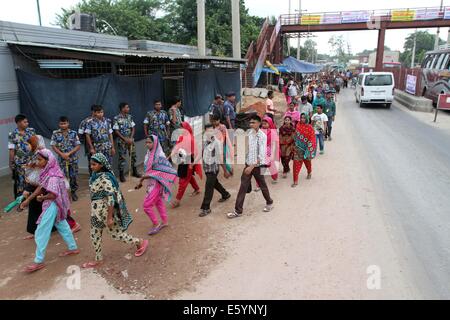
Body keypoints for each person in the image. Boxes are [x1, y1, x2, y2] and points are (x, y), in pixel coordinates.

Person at [82, 153, 149, 269]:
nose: (91, 166)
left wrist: (109, 218)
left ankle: (139, 242)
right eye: (91, 164)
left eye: (94, 164)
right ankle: (98, 259)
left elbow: (111, 199)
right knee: (94, 234)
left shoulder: (105, 178)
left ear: (101, 165)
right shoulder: (95, 176)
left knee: (116, 235)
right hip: (96, 213)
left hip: (105, 213)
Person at [20, 149, 80, 273]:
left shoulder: (52, 176)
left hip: (52, 204)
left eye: (40, 159)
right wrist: (28, 200)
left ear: (48, 161)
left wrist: (42, 198)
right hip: (57, 205)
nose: (38, 162)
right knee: (62, 225)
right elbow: (41, 187)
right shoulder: (50, 171)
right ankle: (73, 248)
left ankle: (38, 261)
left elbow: (52, 195)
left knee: (42, 230)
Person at [23, 136, 81, 240]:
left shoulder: (44, 153)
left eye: (29, 143)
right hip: (42, 184)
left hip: (52, 184)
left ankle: (73, 225)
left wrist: (29, 192)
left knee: (58, 207)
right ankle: (38, 231)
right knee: (38, 208)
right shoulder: (36, 154)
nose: (27, 146)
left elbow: (43, 171)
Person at [227, 115, 274, 219]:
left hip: (256, 166)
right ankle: (238, 211)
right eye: (250, 123)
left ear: (259, 123)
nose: (250, 124)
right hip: (248, 164)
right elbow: (248, 148)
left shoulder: (262, 136)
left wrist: (251, 167)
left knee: (262, 185)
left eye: (253, 122)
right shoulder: (250, 133)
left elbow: (261, 155)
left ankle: (269, 202)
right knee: (242, 186)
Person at [135, 136, 177, 235]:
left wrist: (142, 179)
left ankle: (156, 224)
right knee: (158, 202)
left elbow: (157, 172)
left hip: (156, 184)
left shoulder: (159, 156)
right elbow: (150, 171)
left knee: (146, 206)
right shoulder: (149, 154)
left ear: (155, 143)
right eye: (146, 142)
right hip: (151, 183)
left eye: (150, 142)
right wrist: (142, 180)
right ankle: (165, 221)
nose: (147, 144)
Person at [200, 124, 232, 217]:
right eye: (207, 131)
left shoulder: (217, 143)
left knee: (208, 187)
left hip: (213, 169)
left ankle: (206, 208)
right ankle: (225, 194)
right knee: (214, 183)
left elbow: (220, 158)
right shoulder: (204, 141)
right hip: (206, 167)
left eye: (211, 131)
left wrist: (225, 171)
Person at [170, 122, 202, 209]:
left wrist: (192, 164)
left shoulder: (190, 139)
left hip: (188, 161)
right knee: (188, 176)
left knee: (183, 180)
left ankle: (177, 200)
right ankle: (197, 189)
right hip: (183, 160)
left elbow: (195, 152)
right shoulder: (182, 137)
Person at [51, 116, 81, 201]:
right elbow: (53, 145)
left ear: (68, 123)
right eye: (61, 123)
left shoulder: (73, 133)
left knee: (73, 176)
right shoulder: (55, 133)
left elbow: (78, 145)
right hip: (62, 160)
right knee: (62, 176)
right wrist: (62, 154)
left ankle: (73, 192)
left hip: (72, 159)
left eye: (65, 123)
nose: (63, 125)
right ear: (59, 124)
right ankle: (64, 194)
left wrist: (69, 153)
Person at [8, 114, 36, 198]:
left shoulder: (31, 131)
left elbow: (35, 144)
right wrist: (11, 162)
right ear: (19, 123)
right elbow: (11, 149)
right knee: (21, 181)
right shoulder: (12, 134)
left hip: (32, 161)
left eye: (27, 121)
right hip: (20, 163)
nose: (27, 123)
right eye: (25, 122)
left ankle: (32, 197)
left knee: (32, 179)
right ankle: (22, 199)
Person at [113, 102, 140, 182]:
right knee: (122, 157)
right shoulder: (116, 118)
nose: (128, 109)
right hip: (122, 141)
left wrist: (131, 138)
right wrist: (125, 139)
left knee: (133, 155)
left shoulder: (129, 117)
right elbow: (116, 131)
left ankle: (134, 172)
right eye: (127, 107)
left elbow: (133, 128)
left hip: (130, 140)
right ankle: (121, 175)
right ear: (122, 108)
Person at [292, 113, 317, 188]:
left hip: (306, 149)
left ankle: (309, 172)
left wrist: (309, 149)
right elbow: (295, 136)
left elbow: (312, 139)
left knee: (307, 163)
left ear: (306, 118)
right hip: (298, 149)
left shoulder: (310, 128)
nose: (302, 119)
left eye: (304, 118)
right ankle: (295, 180)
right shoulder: (298, 125)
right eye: (301, 118)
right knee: (296, 164)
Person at [261, 116, 279, 184]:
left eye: (265, 123)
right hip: (262, 151)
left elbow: (274, 144)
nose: (264, 125)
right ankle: (260, 182)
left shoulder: (272, 132)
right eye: (263, 124)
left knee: (271, 166)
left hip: (270, 151)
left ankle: (275, 177)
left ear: (270, 123)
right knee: (261, 166)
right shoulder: (260, 131)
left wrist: (272, 154)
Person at [78, 106, 95, 175]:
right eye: (96, 111)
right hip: (90, 144)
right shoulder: (85, 121)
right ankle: (92, 177)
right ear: (93, 111)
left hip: (102, 145)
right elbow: (80, 134)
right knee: (92, 161)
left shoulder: (104, 121)